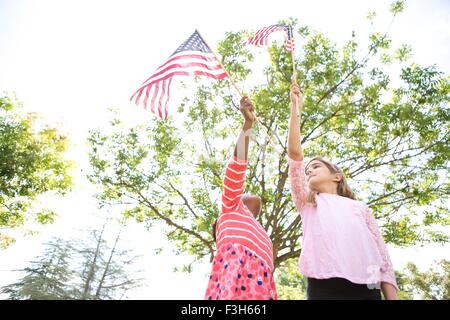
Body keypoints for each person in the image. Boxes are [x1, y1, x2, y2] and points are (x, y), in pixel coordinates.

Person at [287, 79, 398, 300]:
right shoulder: (308, 202)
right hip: (324, 283)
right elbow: (295, 154)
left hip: (368, 284)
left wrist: (391, 297)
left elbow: (381, 254)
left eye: (316, 166)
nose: (309, 171)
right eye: (307, 170)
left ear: (337, 176)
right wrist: (295, 108)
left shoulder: (360, 208)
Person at [204, 96, 277, 300]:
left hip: (261, 286)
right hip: (235, 279)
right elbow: (237, 167)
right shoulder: (230, 207)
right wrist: (248, 124)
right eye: (240, 193)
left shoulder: (259, 231)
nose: (246, 193)